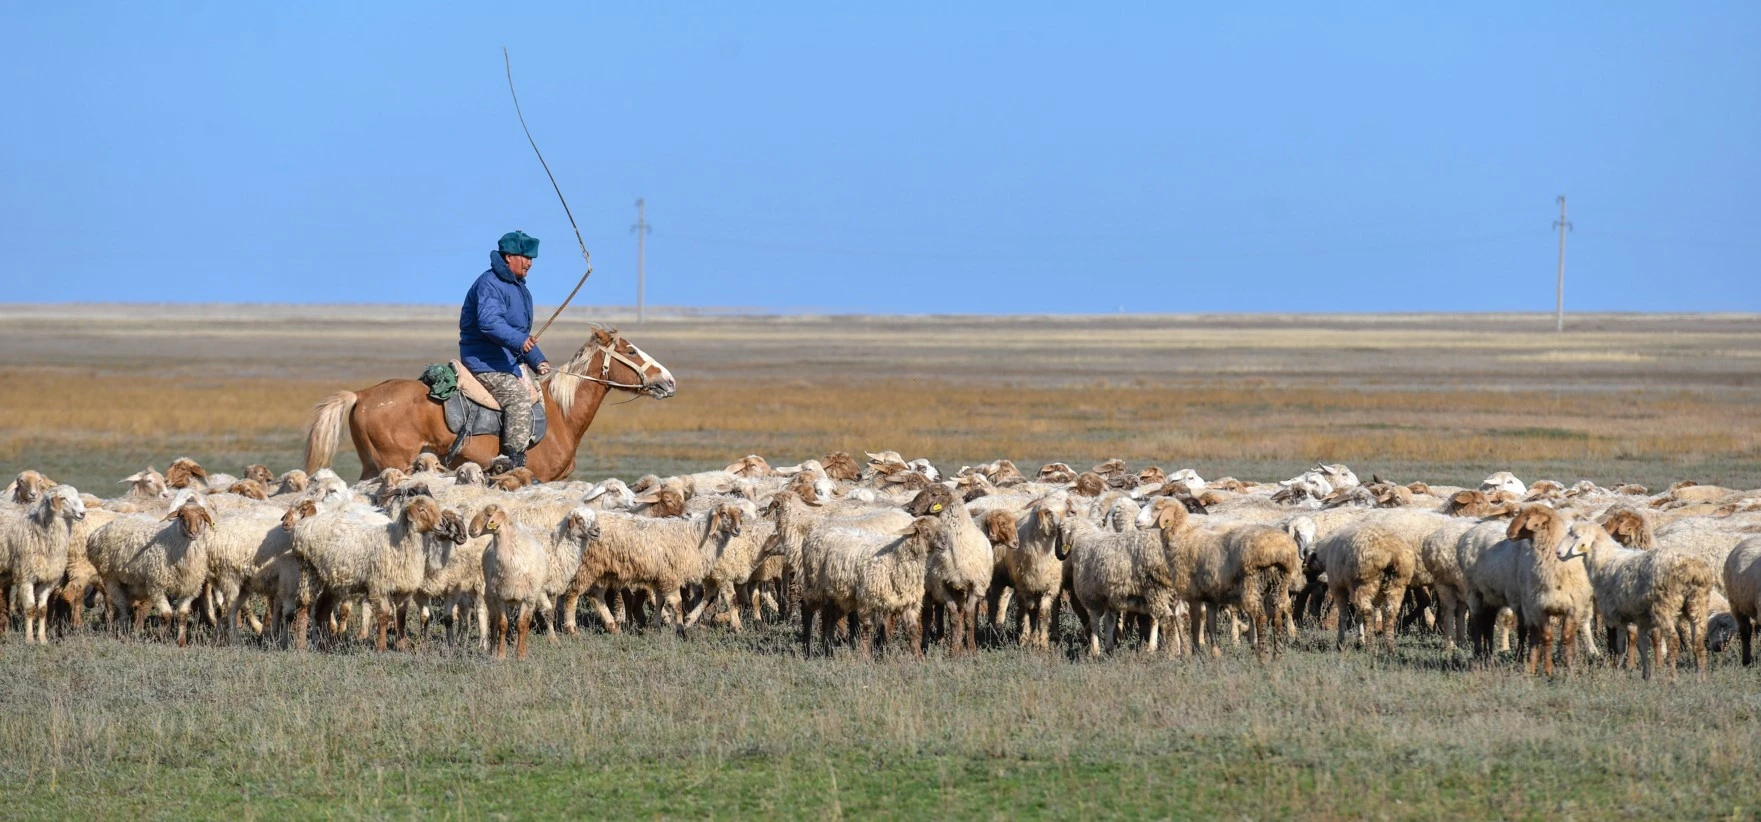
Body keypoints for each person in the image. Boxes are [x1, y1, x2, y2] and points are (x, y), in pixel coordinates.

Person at [459, 230, 552, 469]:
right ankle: (513, 463)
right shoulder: (491, 283)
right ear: (509, 257)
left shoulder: (519, 288)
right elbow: (490, 323)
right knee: (519, 398)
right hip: (486, 362)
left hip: (506, 361)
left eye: (532, 258)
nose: (530, 263)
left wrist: (537, 361)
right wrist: (521, 343)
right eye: (525, 257)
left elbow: (517, 333)